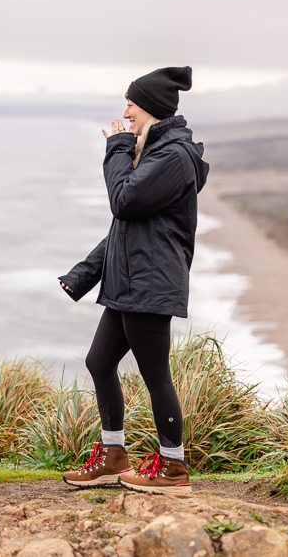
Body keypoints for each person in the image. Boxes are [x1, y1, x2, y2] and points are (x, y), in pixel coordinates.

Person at [59, 66, 209, 495]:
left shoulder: (172, 157)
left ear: (152, 108)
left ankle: (173, 469)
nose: (125, 113)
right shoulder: (155, 152)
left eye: (131, 104)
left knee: (154, 373)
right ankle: (113, 457)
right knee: (99, 362)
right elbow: (127, 230)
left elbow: (122, 201)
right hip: (130, 282)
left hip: (150, 283)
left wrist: (117, 148)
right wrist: (84, 275)